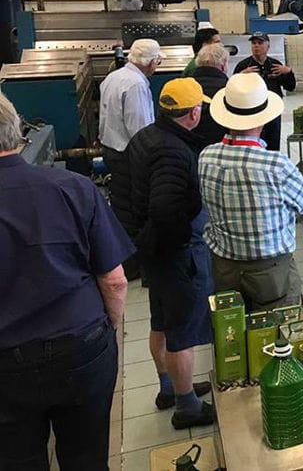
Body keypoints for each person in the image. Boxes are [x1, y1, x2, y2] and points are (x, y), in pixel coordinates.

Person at [0, 93, 132, 470]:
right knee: (87, 457)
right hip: (80, 347)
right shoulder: (72, 188)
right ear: (18, 132)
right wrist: (106, 330)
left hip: (5, 363)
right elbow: (115, 280)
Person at [122, 78, 216, 430]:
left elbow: (127, 189)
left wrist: (144, 240)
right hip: (175, 253)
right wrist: (179, 246)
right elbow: (166, 210)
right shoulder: (174, 150)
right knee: (182, 331)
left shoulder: (145, 136)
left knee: (160, 321)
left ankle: (170, 388)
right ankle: (187, 406)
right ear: (193, 113)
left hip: (152, 250)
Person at [199, 73, 303, 311]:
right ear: (262, 120)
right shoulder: (274, 165)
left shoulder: (206, 156)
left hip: (224, 266)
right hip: (270, 270)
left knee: (233, 331)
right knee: (276, 334)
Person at [100, 37, 165, 281]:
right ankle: (136, 266)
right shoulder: (136, 84)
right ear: (149, 63)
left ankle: (128, 262)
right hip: (128, 154)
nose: (157, 66)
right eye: (157, 61)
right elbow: (140, 129)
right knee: (136, 210)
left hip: (112, 149)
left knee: (121, 208)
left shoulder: (114, 77)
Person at [233, 32, 295, 151]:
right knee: (253, 144)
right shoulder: (244, 66)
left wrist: (288, 72)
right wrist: (241, 76)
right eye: (254, 43)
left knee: (273, 142)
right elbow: (233, 87)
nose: (256, 46)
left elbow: (290, 87)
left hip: (272, 111)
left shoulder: (275, 65)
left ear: (268, 46)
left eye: (260, 43)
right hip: (252, 113)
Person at [192, 43, 230, 148]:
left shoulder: (186, 87)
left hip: (188, 150)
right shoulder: (229, 90)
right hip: (220, 151)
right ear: (223, 65)